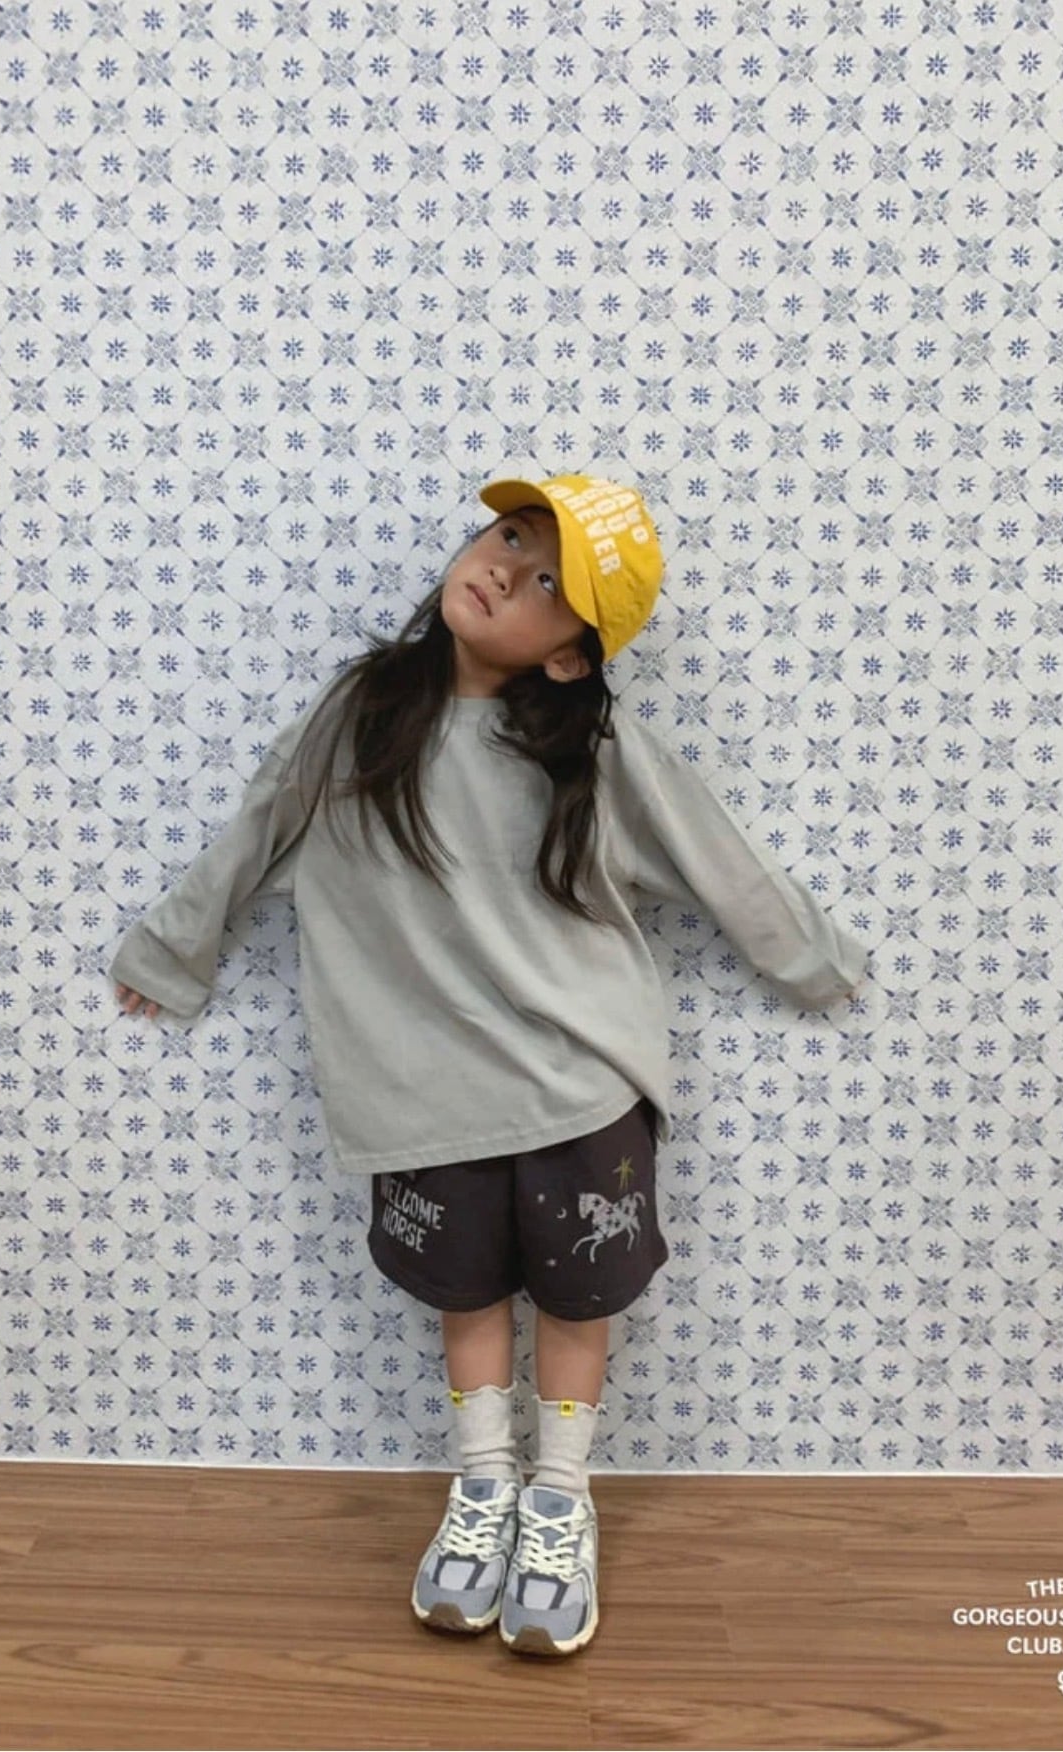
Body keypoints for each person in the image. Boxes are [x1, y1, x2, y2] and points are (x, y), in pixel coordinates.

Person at [111, 471, 868, 1659]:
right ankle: (482, 1485)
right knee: (465, 1293)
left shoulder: (591, 748)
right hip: (421, 1086)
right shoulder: (363, 711)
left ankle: (558, 1501)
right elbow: (262, 821)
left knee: (575, 1297)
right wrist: (174, 945)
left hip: (579, 1081)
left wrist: (812, 963)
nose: (508, 569)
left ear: (571, 655)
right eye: (511, 536)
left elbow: (715, 853)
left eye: (550, 582)